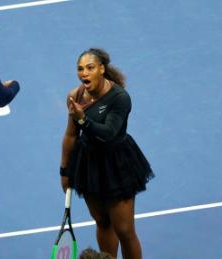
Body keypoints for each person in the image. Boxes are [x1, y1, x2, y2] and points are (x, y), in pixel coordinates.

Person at [60, 48, 154, 259]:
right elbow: (70, 135)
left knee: (124, 231)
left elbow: (109, 134)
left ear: (102, 69)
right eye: (80, 69)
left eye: (90, 68)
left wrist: (83, 118)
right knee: (102, 223)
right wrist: (64, 170)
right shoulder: (75, 96)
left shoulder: (120, 98)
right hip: (88, 164)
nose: (84, 72)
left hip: (117, 163)